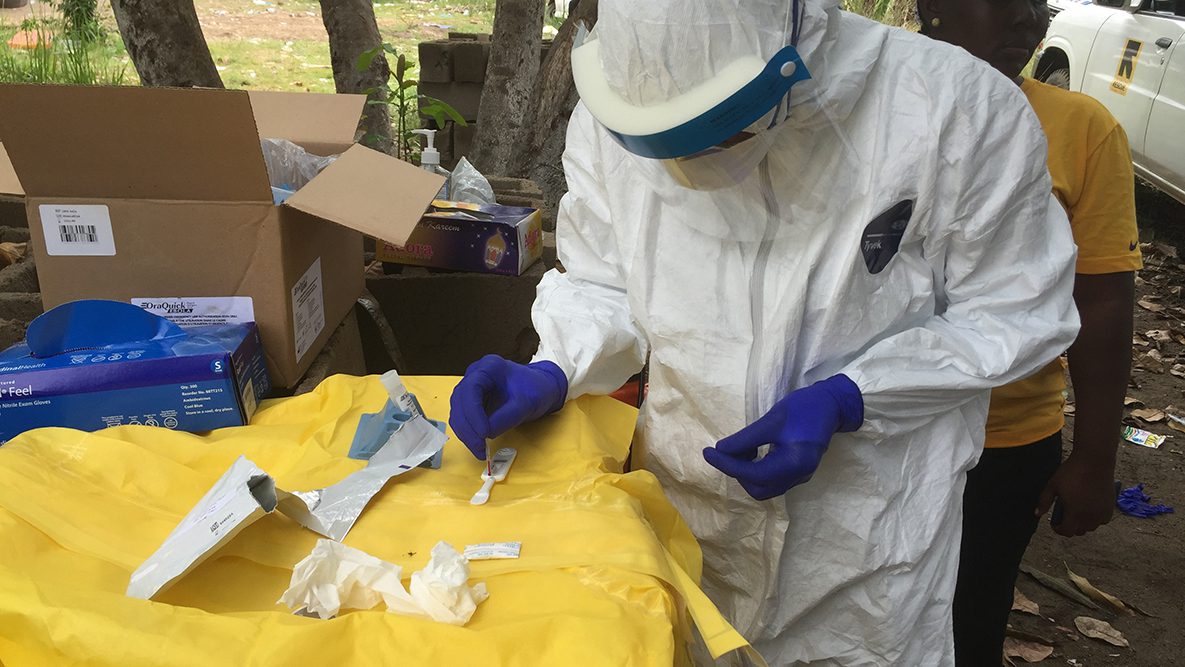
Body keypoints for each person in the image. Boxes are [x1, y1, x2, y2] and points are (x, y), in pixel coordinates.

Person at [450, 0, 1081, 663]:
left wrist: (853, 396)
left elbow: (1012, 308)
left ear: (789, 53)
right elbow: (605, 279)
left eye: (714, 129)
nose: (686, 161)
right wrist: (558, 364)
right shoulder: (616, 110)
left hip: (863, 540)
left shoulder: (952, 110)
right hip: (687, 514)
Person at [916, 0, 1142, 664]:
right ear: (931, 7)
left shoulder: (1080, 130)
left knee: (967, 619)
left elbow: (1101, 301)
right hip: (866, 430)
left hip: (1003, 444)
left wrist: (1095, 458)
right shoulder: (866, 112)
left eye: (1035, 2)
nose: (1025, 18)